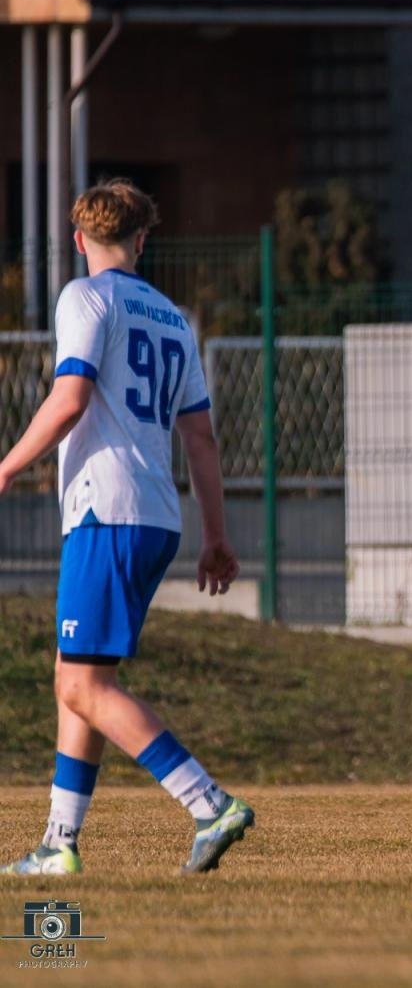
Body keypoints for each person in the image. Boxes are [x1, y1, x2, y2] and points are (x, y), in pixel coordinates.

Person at [0, 179, 255, 876]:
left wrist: (8, 466)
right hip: (156, 516)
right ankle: (58, 841)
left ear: (78, 239)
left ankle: (208, 803)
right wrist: (216, 535)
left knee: (82, 684)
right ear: (142, 240)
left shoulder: (85, 296)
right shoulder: (175, 317)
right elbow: (200, 436)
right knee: (76, 676)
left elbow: (70, 396)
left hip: (104, 509)